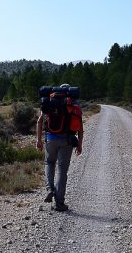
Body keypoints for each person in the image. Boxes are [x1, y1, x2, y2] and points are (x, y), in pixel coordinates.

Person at [36, 83, 83, 212]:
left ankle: (50, 189)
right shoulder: (73, 103)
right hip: (67, 141)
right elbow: (80, 126)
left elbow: (39, 121)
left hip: (50, 139)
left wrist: (38, 140)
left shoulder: (50, 101)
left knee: (49, 163)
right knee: (62, 171)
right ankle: (59, 203)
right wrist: (79, 144)